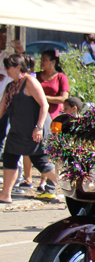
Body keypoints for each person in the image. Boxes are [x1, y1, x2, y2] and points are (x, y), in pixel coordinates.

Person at [0, 54, 58, 202]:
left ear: (18, 67)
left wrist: (38, 127)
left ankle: (71, 184)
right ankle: (5, 195)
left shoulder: (30, 82)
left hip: (33, 130)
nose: (5, 70)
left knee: (40, 161)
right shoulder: (11, 86)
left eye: (8, 67)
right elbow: (1, 108)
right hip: (17, 131)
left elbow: (44, 104)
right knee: (9, 158)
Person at [37, 50, 70, 119]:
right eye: (41, 60)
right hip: (36, 113)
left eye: (44, 60)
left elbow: (64, 98)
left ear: (53, 62)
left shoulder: (61, 77)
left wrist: (43, 98)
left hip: (53, 115)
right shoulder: (36, 76)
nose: (41, 62)